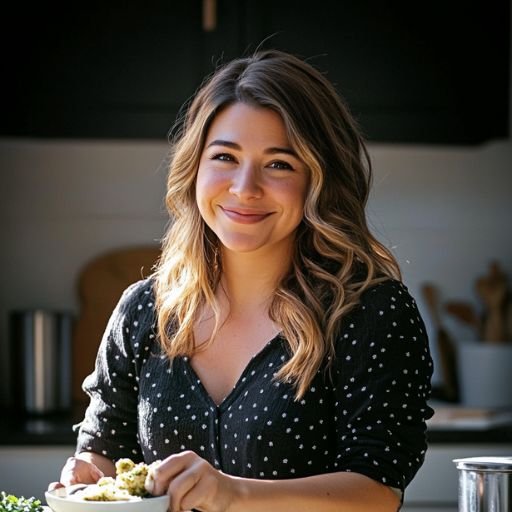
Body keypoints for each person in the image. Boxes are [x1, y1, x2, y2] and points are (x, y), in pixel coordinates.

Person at [50, 49, 434, 511]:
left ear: (320, 179)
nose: (244, 187)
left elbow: (379, 492)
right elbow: (103, 453)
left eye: (279, 164)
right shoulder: (143, 311)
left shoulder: (371, 313)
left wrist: (233, 492)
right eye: (225, 156)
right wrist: (89, 472)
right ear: (195, 167)